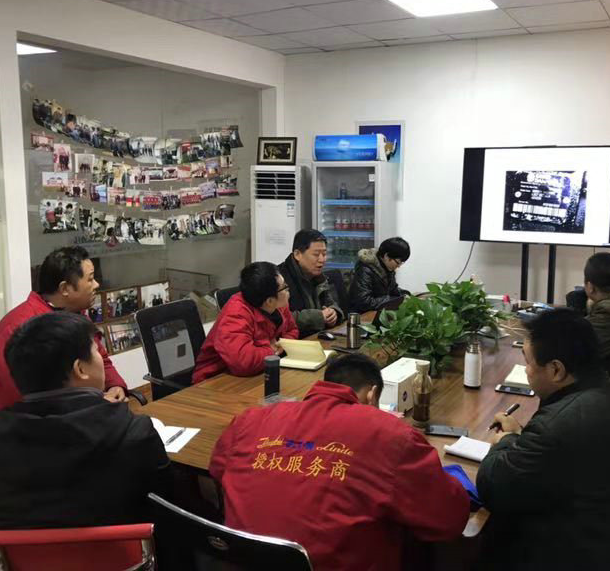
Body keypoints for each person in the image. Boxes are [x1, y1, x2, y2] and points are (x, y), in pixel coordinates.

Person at [209, 353, 470, 571]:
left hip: (245, 562)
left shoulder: (251, 419)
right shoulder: (390, 436)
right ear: (372, 395)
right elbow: (449, 519)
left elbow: (218, 469)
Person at [477, 308, 610, 570]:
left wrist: (506, 441)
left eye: (528, 362)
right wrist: (519, 439)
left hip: (599, 558)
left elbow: (493, 487)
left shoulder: (557, 426)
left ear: (556, 370)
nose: (526, 370)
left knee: (486, 535)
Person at [0, 313, 170, 529]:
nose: (101, 358)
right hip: (124, 550)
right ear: (80, 369)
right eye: (96, 351)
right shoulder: (134, 433)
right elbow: (167, 507)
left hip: (25, 552)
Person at [0, 246, 128, 411]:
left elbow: (99, 357)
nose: (96, 284)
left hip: (84, 410)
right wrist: (95, 403)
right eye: (90, 279)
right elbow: (25, 400)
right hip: (41, 422)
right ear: (65, 288)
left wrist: (115, 386)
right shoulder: (20, 331)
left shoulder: (74, 314)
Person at [193, 262, 299, 383]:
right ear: (269, 301)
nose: (288, 288)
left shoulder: (279, 305)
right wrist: (272, 349)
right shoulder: (235, 314)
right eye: (284, 287)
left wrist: (282, 344)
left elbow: (292, 329)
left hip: (259, 372)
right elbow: (244, 362)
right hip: (215, 379)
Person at [278, 229, 343, 338]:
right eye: (316, 254)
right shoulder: (280, 280)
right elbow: (279, 317)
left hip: (316, 336)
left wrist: (334, 312)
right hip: (294, 341)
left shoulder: (318, 276)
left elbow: (331, 303)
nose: (322, 259)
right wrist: (318, 317)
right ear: (297, 254)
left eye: (324, 254)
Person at [348, 237, 411, 313]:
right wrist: (391, 300)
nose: (399, 266)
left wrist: (405, 295)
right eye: (398, 262)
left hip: (377, 312)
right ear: (386, 256)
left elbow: (393, 290)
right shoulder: (365, 269)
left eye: (401, 263)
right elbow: (363, 302)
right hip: (361, 315)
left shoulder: (387, 268)